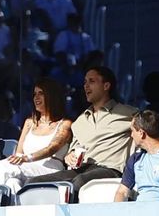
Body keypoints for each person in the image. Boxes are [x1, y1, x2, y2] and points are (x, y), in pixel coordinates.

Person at [23, 65, 137, 194]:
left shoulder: (128, 113)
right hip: (82, 168)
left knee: (78, 182)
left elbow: (147, 129)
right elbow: (72, 150)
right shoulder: (80, 121)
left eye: (92, 81)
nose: (86, 86)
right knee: (32, 183)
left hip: (110, 169)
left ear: (106, 86)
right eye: (85, 82)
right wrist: (69, 156)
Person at [0, 78, 72, 194]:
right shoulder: (29, 122)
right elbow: (19, 153)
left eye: (41, 93)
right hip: (26, 169)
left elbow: (51, 148)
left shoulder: (64, 124)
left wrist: (27, 158)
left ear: (52, 96)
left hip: (51, 170)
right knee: (11, 182)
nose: (36, 98)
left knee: (2, 167)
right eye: (34, 94)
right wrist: (21, 159)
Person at [114, 110, 159, 201]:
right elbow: (122, 192)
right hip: (138, 212)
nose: (131, 135)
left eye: (132, 131)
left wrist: (158, 212)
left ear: (141, 133)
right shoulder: (135, 158)